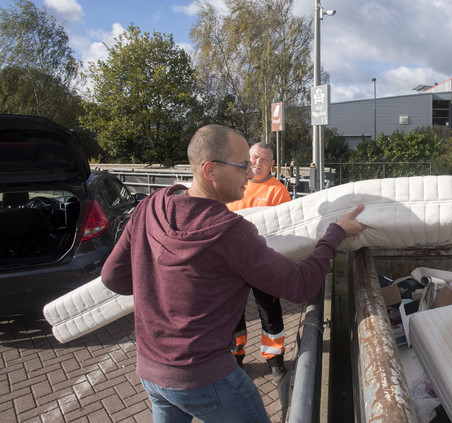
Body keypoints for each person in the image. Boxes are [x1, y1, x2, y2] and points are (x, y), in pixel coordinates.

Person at [101, 124, 365, 423]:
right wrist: (335, 234)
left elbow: (113, 277)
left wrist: (159, 285)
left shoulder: (151, 205)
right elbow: (300, 285)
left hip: (151, 371)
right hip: (205, 378)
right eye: (242, 166)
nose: (251, 174)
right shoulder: (232, 232)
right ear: (210, 170)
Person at [226, 142, 291, 382]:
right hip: (233, 265)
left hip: (264, 264)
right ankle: (235, 356)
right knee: (233, 314)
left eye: (264, 159)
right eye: (254, 158)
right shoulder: (233, 186)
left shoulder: (278, 191)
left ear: (272, 164)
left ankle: (274, 359)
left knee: (270, 312)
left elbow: (286, 229)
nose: (258, 163)